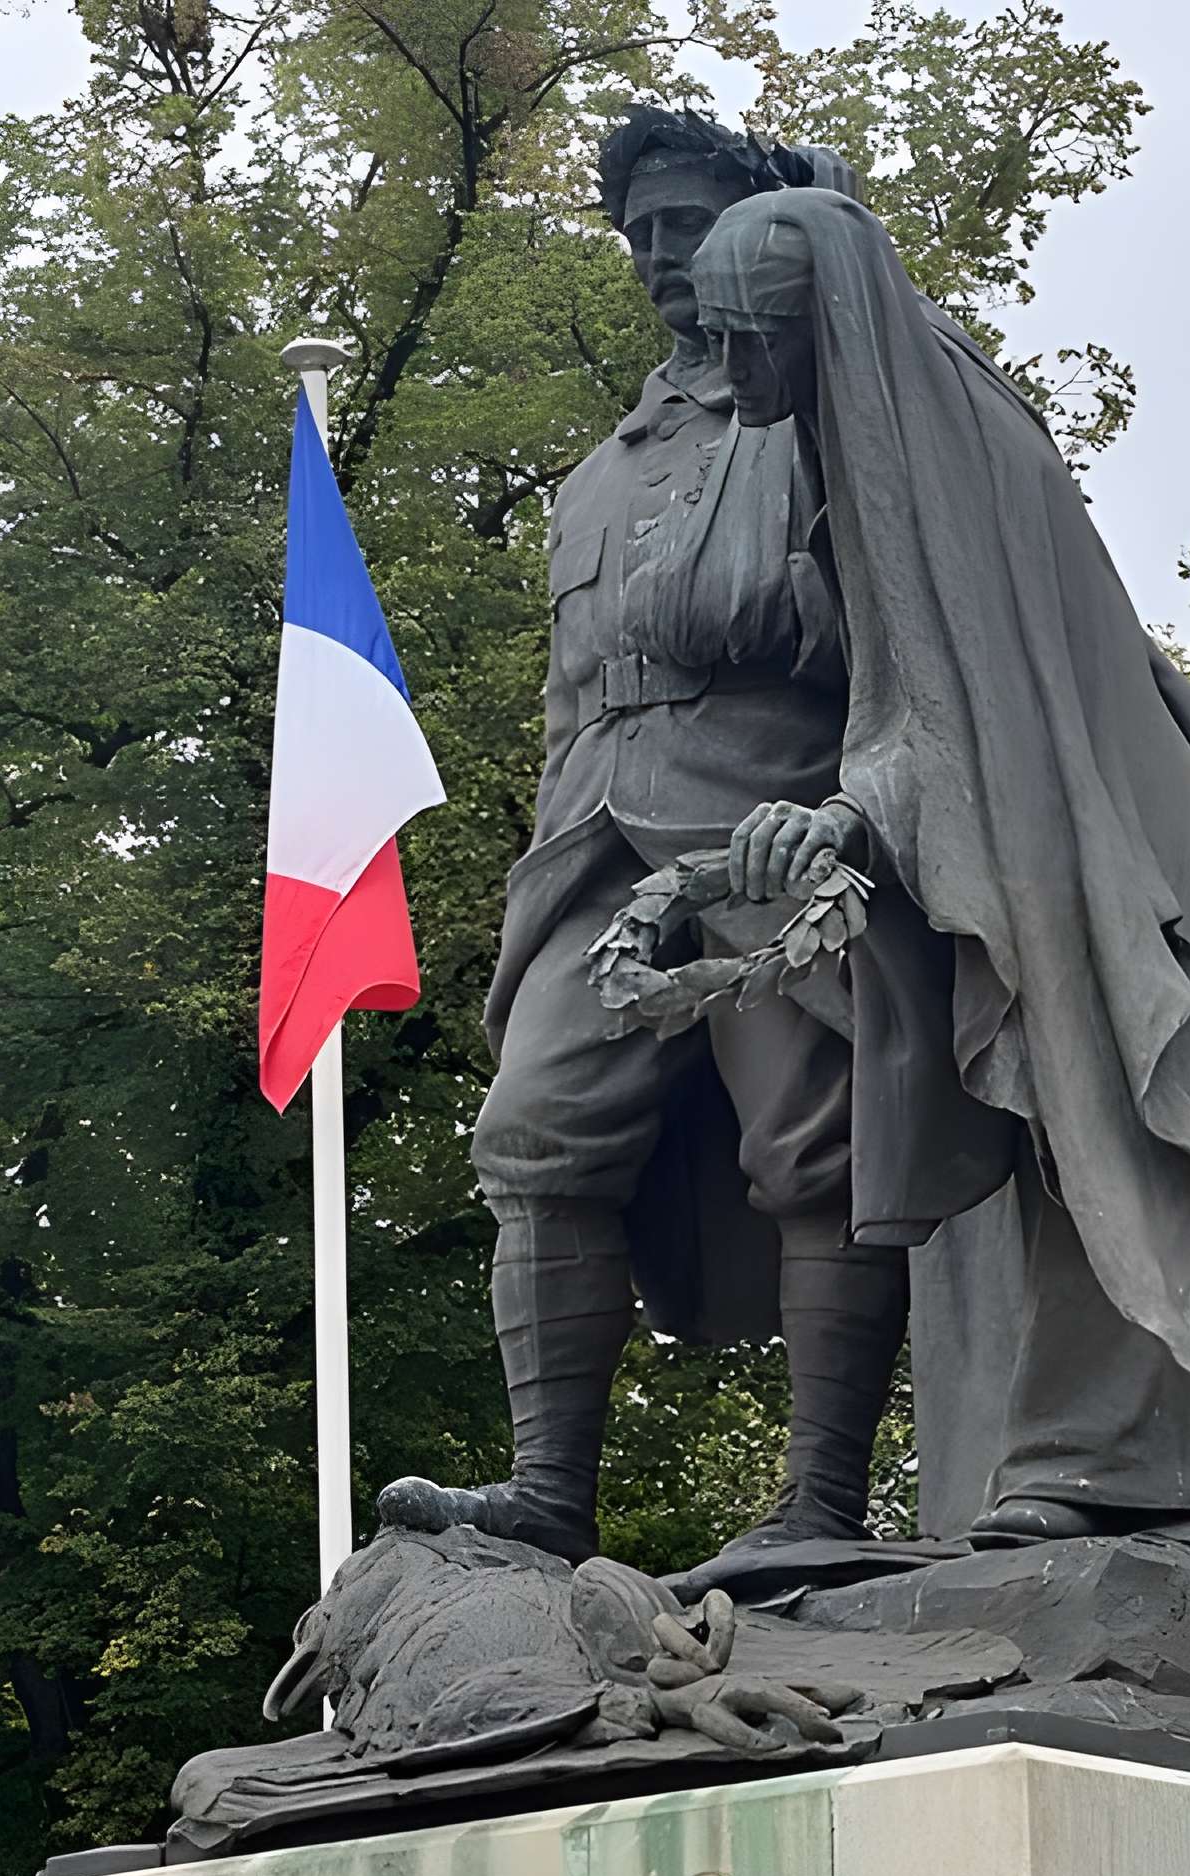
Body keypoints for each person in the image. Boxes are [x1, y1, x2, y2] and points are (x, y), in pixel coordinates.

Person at [688, 186, 1190, 1540]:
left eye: (756, 335)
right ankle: (1043, 1467)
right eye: (719, 332)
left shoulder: (937, 452)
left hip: (1091, 842)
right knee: (1037, 1123)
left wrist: (850, 814)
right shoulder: (884, 436)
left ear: (828, 318)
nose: (730, 367)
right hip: (1042, 832)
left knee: (1100, 1108)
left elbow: (973, 701)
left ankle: (1102, 1465)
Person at [379, 108, 913, 1566]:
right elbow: (574, 691)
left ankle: (821, 1503)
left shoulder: (839, 407)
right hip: (596, 844)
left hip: (769, 828)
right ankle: (547, 1495)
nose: (663, 253)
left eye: (690, 224)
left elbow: (924, 640)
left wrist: (857, 809)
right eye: (641, 234)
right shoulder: (602, 469)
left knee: (816, 1147)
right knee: (533, 1139)